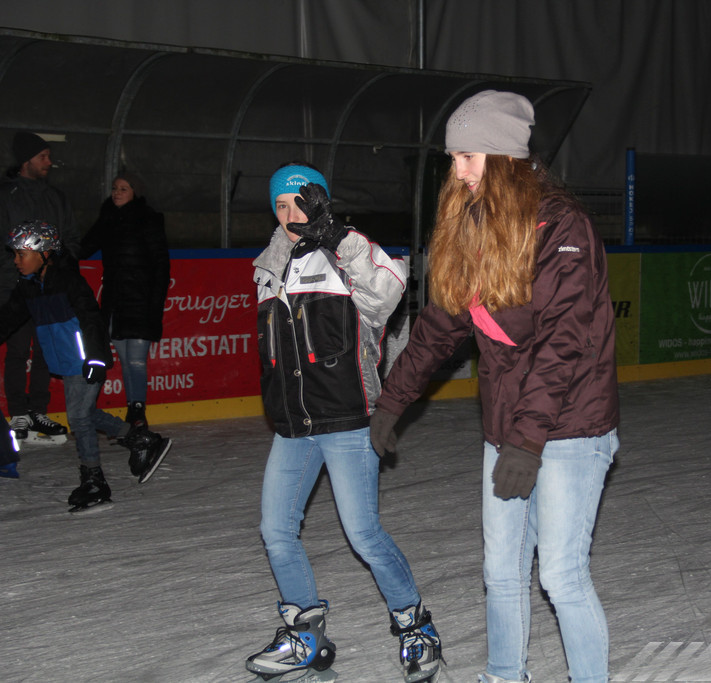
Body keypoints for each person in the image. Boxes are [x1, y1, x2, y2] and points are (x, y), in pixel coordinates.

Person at [370, 90, 620, 683]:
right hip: (507, 425)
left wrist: (528, 443)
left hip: (571, 427)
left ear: (504, 158)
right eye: (454, 158)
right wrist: (391, 401)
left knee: (560, 575)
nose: (458, 171)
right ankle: (504, 675)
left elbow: (562, 344)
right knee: (501, 571)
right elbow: (440, 325)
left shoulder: (562, 226)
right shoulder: (476, 226)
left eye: (468, 157)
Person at [246, 163, 441, 683]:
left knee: (363, 534)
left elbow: (390, 289)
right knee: (276, 530)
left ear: (320, 203)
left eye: (300, 203)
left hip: (349, 419)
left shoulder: (343, 254)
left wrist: (338, 236)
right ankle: (304, 634)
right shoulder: (266, 268)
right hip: (295, 426)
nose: (290, 215)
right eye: (281, 205)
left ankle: (415, 625)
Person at [0, 220, 172, 510]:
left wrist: (95, 359)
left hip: (85, 361)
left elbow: (92, 319)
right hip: (66, 362)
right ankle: (141, 439)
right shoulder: (28, 288)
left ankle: (94, 480)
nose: (16, 261)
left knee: (79, 418)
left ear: (43, 254)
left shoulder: (68, 281)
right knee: (86, 414)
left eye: (21, 254)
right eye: (15, 254)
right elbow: (7, 319)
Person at [0, 132, 80, 444]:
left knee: (46, 350)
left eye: (49, 156)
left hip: (50, 289)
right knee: (18, 350)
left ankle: (37, 411)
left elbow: (71, 238)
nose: (49, 162)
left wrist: (57, 270)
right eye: (42, 157)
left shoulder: (56, 197)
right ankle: (19, 413)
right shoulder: (6, 195)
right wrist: (14, 274)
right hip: (16, 287)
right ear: (26, 161)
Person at [80, 172, 170, 429]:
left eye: (123, 189)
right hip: (116, 303)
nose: (116, 193)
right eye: (114, 188)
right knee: (124, 360)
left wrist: (155, 304)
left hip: (141, 301)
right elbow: (85, 246)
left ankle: (137, 410)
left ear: (135, 193)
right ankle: (133, 409)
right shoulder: (108, 219)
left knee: (137, 360)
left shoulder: (148, 220)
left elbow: (161, 265)